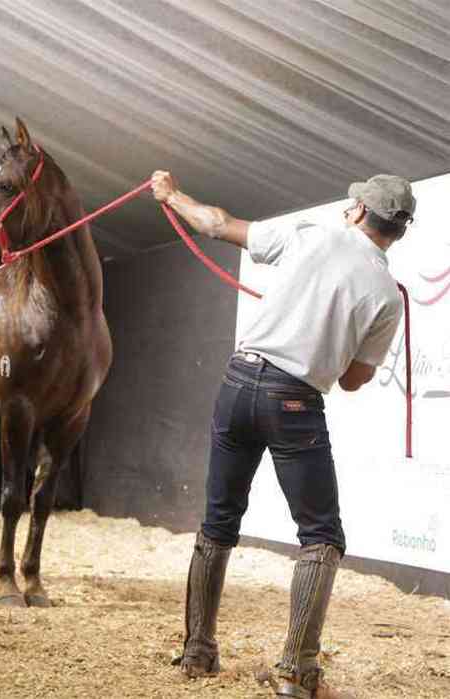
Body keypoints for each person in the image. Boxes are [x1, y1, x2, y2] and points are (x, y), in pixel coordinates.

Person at [151, 172, 415, 698]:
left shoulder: (312, 233)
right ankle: (297, 671)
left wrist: (171, 194)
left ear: (360, 211)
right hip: (294, 401)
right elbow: (353, 380)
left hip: (237, 380)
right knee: (321, 536)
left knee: (219, 521)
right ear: (397, 230)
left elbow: (218, 224)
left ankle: (198, 652)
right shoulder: (388, 294)